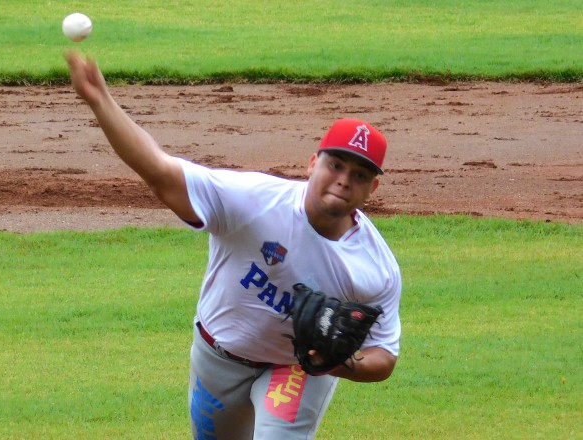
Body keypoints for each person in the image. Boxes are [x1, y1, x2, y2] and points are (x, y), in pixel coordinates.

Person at [65, 50, 402, 440]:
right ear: (312, 164)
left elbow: (385, 356)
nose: (344, 180)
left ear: (372, 188)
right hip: (217, 357)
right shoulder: (254, 201)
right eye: (335, 165)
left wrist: (340, 363)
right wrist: (99, 100)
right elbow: (160, 171)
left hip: (294, 371)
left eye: (359, 174)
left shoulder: (374, 267)